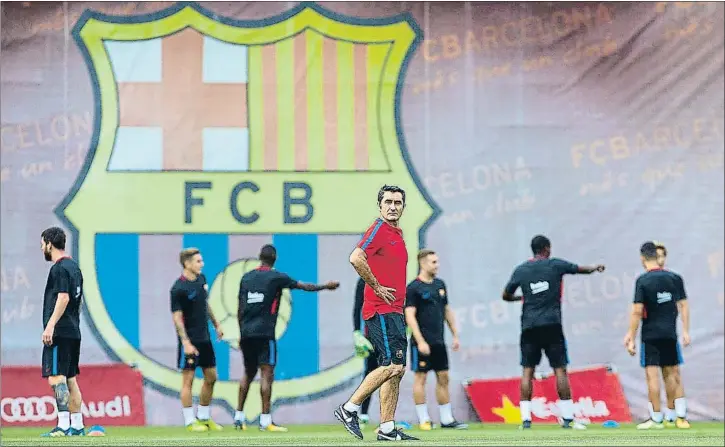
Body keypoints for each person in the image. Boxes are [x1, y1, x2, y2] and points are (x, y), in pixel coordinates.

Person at [335, 184, 418, 442]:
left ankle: (387, 427)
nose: (393, 207)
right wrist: (377, 287)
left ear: (403, 206)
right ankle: (349, 408)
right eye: (388, 202)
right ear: (380, 206)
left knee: (398, 368)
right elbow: (356, 257)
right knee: (391, 365)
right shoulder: (379, 229)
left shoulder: (396, 232)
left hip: (394, 311)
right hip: (380, 310)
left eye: (397, 202)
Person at [502, 235, 605, 430]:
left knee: (527, 371)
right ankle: (567, 419)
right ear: (547, 249)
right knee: (560, 370)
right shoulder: (555, 265)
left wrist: (520, 298)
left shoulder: (521, 270)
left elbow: (505, 294)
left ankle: (525, 421)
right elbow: (580, 269)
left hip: (529, 327)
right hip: (552, 325)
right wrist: (595, 268)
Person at [235, 244, 339, 432]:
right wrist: (326, 286)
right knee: (266, 374)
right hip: (265, 333)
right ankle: (265, 421)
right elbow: (304, 286)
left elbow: (240, 308)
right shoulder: (276, 277)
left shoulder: (246, 277)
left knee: (248, 373)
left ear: (260, 257)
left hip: (246, 334)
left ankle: (238, 417)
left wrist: (241, 332)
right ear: (274, 259)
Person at [623, 241, 691, 430]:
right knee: (671, 375)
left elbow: (637, 311)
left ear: (642, 258)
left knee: (652, 377)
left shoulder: (642, 281)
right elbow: (684, 305)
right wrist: (685, 330)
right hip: (669, 333)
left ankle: (657, 418)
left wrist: (630, 335)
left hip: (650, 335)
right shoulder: (675, 278)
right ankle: (676, 415)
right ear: (657, 256)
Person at [405, 249, 467, 430]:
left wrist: (455, 334)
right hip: (421, 343)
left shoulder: (440, 285)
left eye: (437, 261)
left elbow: (447, 310)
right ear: (423, 263)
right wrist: (420, 341)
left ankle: (447, 419)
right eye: (433, 262)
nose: (437, 265)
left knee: (444, 377)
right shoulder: (413, 288)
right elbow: (410, 315)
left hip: (439, 341)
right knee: (420, 378)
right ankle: (424, 419)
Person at [170, 248, 224, 432]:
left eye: (201, 261)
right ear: (187, 264)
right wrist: (185, 342)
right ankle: (189, 421)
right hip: (190, 341)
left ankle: (203, 417)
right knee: (188, 381)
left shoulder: (201, 280)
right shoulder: (178, 288)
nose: (202, 264)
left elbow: (205, 303)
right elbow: (177, 318)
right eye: (198, 261)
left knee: (211, 377)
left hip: (205, 338)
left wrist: (217, 324)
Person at [39, 227, 86, 437]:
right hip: (73, 331)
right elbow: (79, 300)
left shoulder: (58, 269)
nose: (42, 248)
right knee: (70, 378)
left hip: (59, 332)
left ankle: (63, 425)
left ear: (50, 243)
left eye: (42, 244)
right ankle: (77, 426)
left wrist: (50, 326)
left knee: (56, 377)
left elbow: (64, 297)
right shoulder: (74, 267)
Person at [352, 277, 376, 427]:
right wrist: (357, 333)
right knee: (370, 374)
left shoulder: (393, 275)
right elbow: (357, 307)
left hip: (391, 332)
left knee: (393, 372)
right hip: (372, 334)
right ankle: (363, 413)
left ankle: (387, 417)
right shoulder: (364, 280)